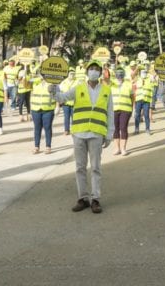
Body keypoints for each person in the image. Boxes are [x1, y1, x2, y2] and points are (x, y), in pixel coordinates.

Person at [55, 59, 114, 214]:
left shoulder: (107, 90)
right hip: (79, 132)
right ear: (87, 72)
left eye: (96, 69)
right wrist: (53, 90)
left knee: (95, 168)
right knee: (80, 167)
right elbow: (62, 98)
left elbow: (110, 113)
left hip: (96, 133)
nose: (93, 71)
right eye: (91, 68)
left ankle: (95, 199)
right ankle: (83, 198)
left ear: (100, 73)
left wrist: (109, 134)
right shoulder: (78, 87)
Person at [111, 67, 133, 156]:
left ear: (123, 74)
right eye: (118, 73)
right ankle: (117, 148)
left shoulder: (128, 84)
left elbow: (132, 97)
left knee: (123, 128)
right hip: (114, 109)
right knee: (115, 129)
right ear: (115, 75)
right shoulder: (111, 84)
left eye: (121, 73)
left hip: (126, 109)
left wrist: (132, 108)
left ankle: (123, 148)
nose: (119, 75)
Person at [133, 67, 154, 135]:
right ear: (140, 73)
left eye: (145, 72)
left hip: (146, 100)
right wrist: (137, 68)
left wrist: (149, 71)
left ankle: (147, 129)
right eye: (142, 72)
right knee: (137, 115)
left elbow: (153, 76)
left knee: (146, 115)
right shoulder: (137, 79)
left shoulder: (149, 79)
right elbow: (132, 75)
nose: (144, 74)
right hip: (138, 99)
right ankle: (136, 129)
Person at [60, 68, 77, 135]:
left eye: (73, 74)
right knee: (66, 117)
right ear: (68, 74)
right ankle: (66, 130)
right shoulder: (63, 82)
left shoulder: (77, 82)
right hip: (66, 103)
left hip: (74, 103)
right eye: (70, 74)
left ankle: (73, 130)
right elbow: (61, 91)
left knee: (74, 117)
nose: (72, 75)